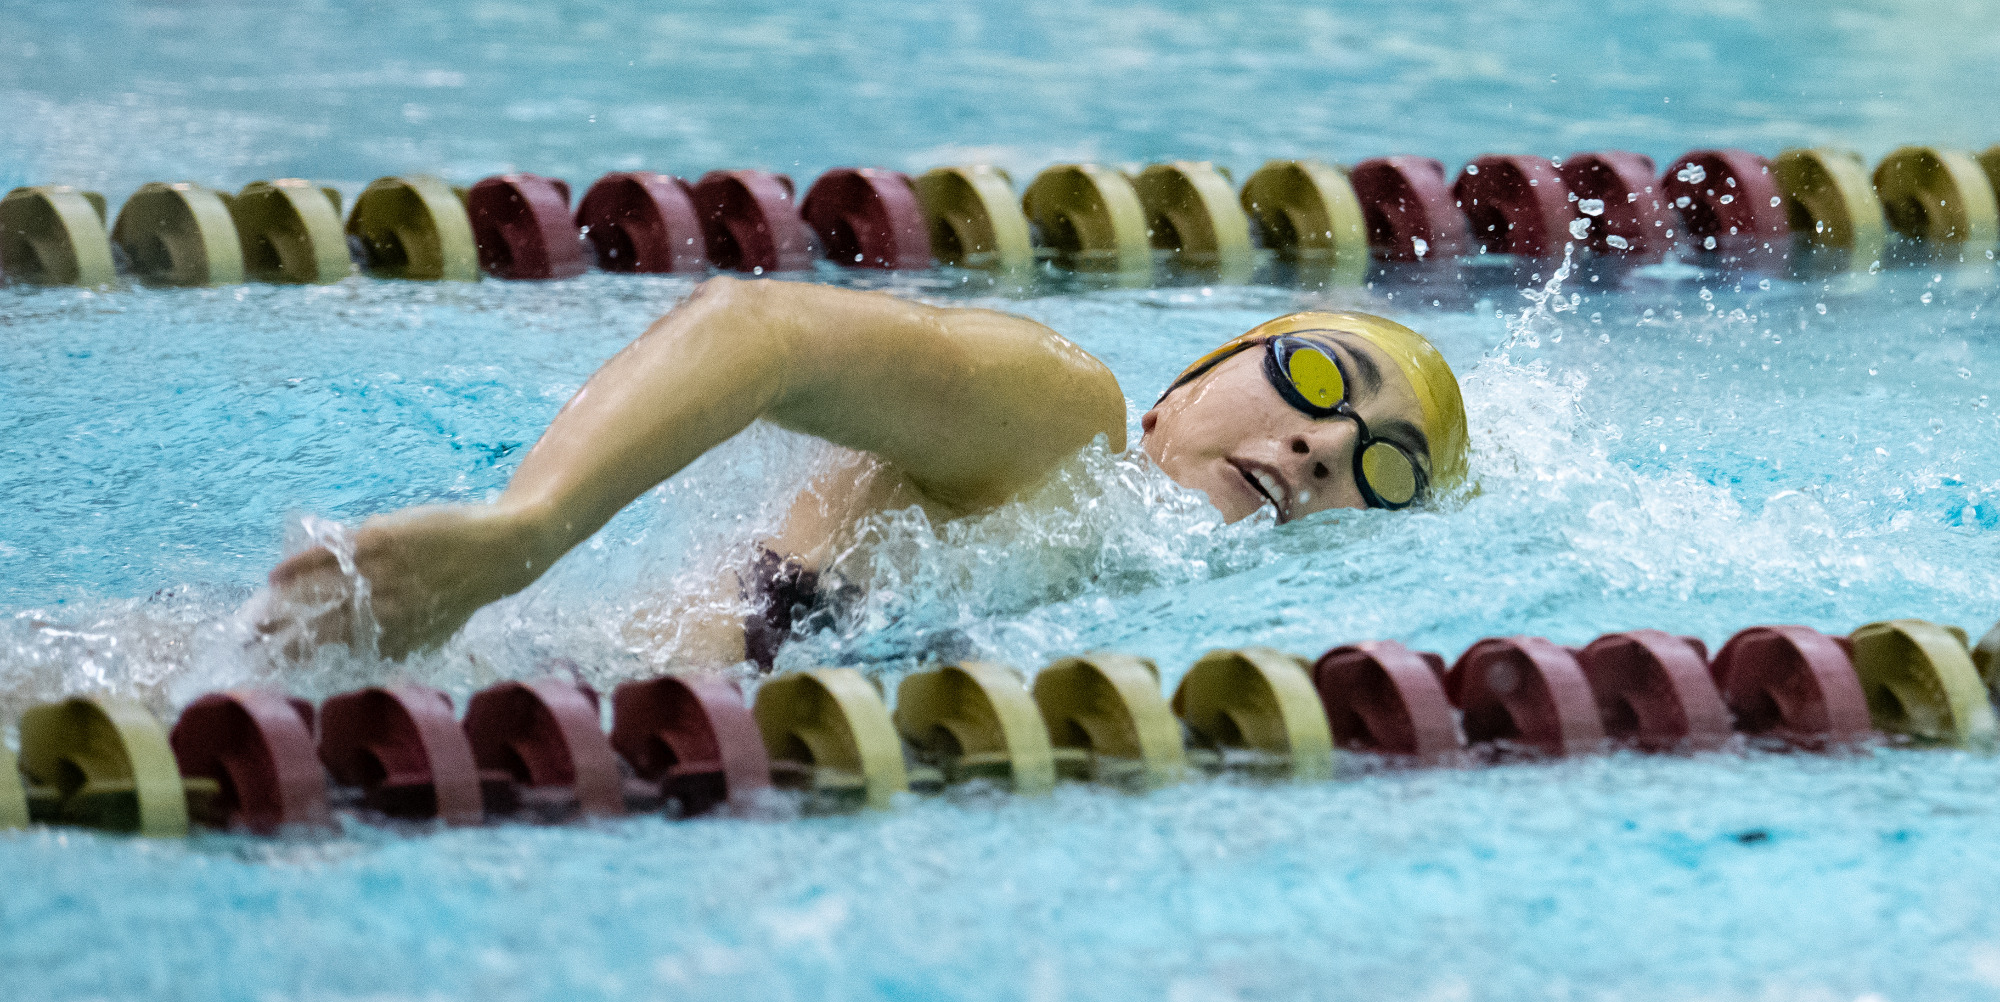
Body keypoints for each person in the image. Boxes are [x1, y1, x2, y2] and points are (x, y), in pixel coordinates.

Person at [264, 278, 1468, 665]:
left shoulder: (1200, 620)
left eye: (1390, 467)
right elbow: (760, 330)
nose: (1328, 446)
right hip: (459, 678)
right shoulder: (1062, 424)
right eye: (1318, 380)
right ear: (1190, 384)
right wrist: (522, 532)